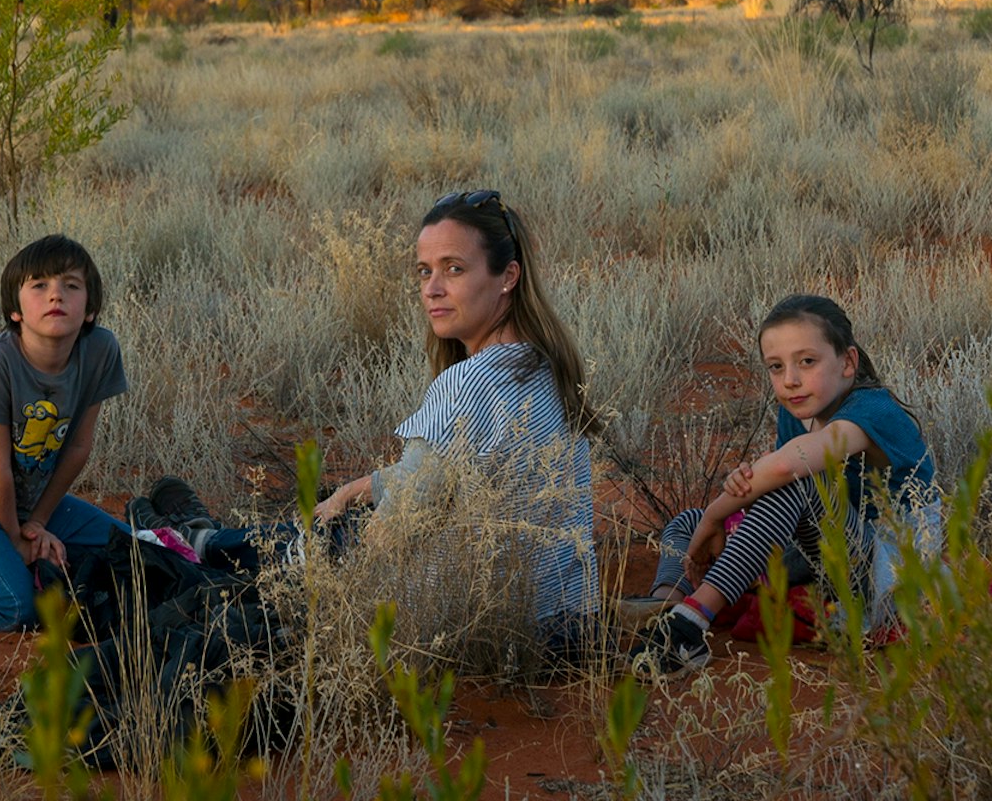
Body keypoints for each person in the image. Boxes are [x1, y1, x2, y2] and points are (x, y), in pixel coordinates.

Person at [175, 191, 603, 648]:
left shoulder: (470, 382)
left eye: (454, 269)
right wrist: (353, 489)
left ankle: (188, 547)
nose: (431, 288)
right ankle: (201, 541)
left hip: (478, 631)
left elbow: (392, 534)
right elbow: (437, 478)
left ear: (507, 277)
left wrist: (321, 589)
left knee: (312, 550)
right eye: (425, 271)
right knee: (330, 524)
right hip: (569, 623)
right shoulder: (546, 366)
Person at [627, 294, 938, 676]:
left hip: (881, 576)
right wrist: (739, 492)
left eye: (807, 361)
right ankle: (665, 603)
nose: (790, 380)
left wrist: (717, 516)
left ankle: (689, 625)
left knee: (795, 484)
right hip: (823, 555)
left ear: (848, 362)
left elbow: (788, 470)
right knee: (687, 522)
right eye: (776, 367)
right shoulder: (798, 411)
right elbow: (778, 484)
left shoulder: (873, 410)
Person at [0, 234, 129, 630]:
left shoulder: (100, 350)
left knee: (129, 548)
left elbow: (79, 446)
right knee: (17, 607)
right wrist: (15, 541)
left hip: (30, 505)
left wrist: (38, 522)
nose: (55, 296)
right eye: (39, 285)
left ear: (90, 308)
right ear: (15, 310)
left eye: (71, 285)